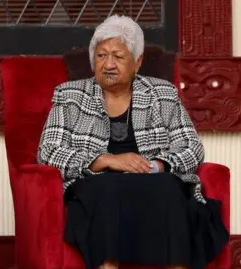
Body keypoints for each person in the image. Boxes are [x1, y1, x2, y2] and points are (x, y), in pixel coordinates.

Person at [37, 15, 228, 269]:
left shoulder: (162, 93)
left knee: (170, 191)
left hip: (153, 182)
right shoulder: (70, 95)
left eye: (118, 56)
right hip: (98, 183)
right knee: (106, 191)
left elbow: (192, 148)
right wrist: (104, 160)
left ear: (137, 62)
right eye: (101, 55)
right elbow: (48, 152)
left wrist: (158, 165)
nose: (108, 64)